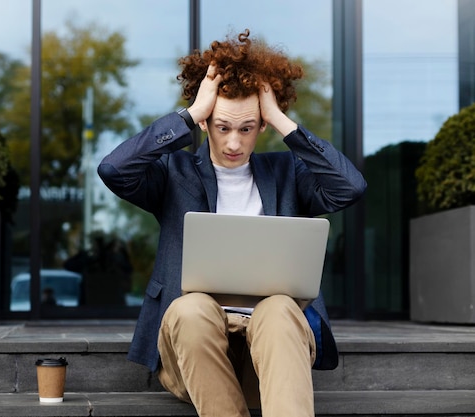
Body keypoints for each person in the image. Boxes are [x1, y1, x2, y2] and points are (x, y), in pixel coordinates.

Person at [97, 29, 366, 417]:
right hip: (194, 355)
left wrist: (280, 119)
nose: (234, 143)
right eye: (222, 126)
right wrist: (188, 115)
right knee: (191, 309)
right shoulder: (175, 173)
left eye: (247, 127)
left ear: (261, 126)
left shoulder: (288, 172)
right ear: (206, 123)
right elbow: (114, 169)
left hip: (272, 356)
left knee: (277, 308)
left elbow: (351, 187)